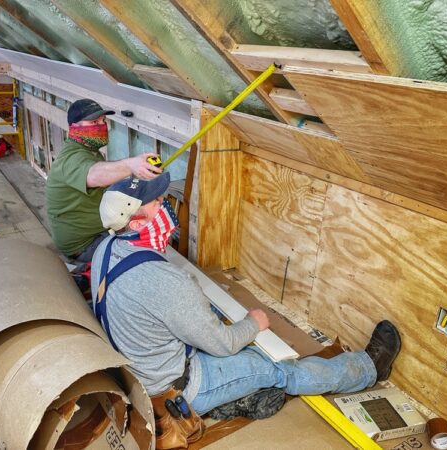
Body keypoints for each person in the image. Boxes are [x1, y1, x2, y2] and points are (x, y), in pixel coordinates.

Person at [91, 174, 401, 419]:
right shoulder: (165, 281)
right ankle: (369, 369)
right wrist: (254, 323)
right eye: (157, 202)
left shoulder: (105, 249)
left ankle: (237, 397)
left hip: (138, 374)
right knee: (274, 366)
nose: (166, 204)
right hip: (179, 387)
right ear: (137, 222)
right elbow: (223, 345)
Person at [46, 98, 162, 262]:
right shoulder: (70, 158)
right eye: (94, 121)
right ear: (74, 128)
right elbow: (94, 175)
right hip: (85, 245)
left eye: (103, 121)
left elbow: (105, 176)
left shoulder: (90, 151)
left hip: (98, 232)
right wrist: (131, 165)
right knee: (147, 249)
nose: (102, 125)